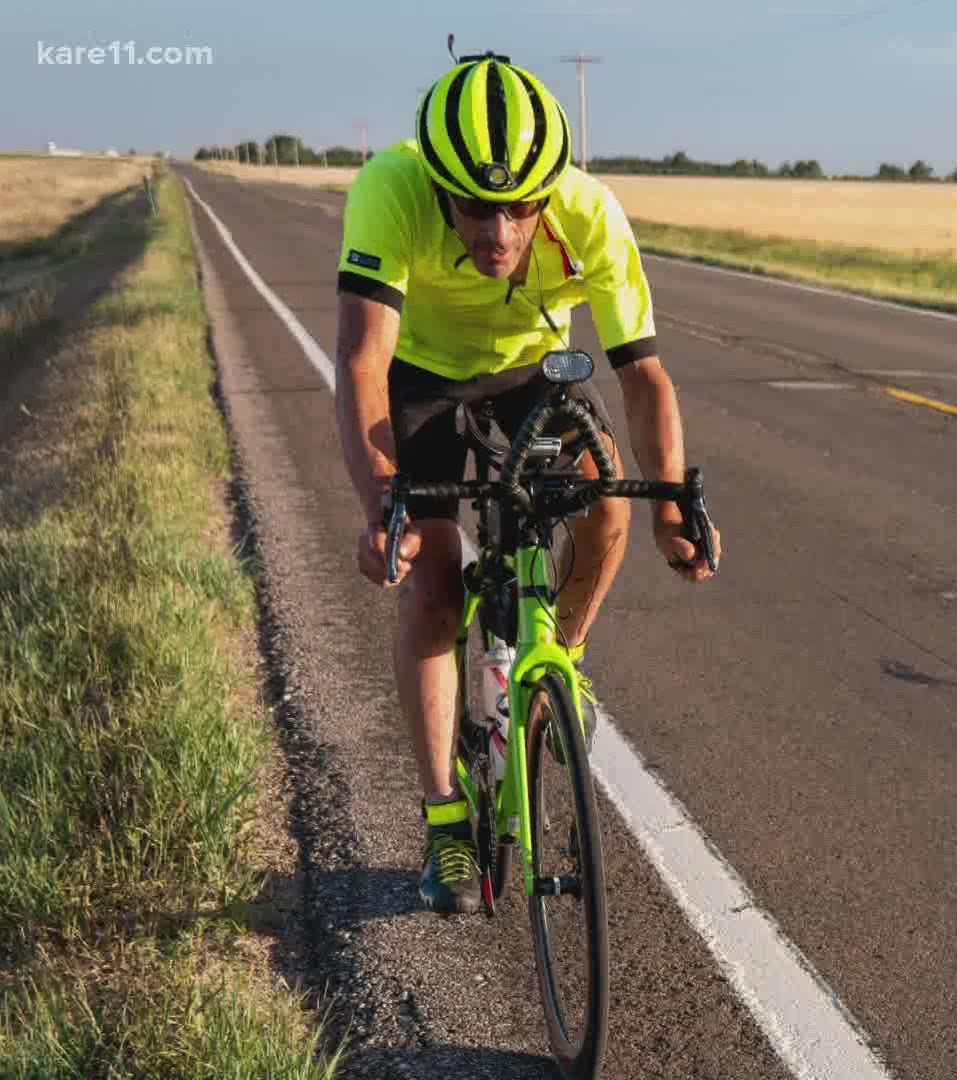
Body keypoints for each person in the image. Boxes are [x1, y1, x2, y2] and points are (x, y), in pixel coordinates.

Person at [332, 52, 719, 914]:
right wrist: (381, 510)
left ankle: (565, 656)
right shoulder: (390, 189)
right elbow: (362, 366)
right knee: (431, 587)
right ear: (437, 184)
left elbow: (643, 374)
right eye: (475, 206)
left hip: (533, 374)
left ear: (554, 189)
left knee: (609, 503)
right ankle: (444, 824)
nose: (499, 232)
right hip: (420, 376)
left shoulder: (590, 212)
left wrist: (670, 507)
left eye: (520, 206)